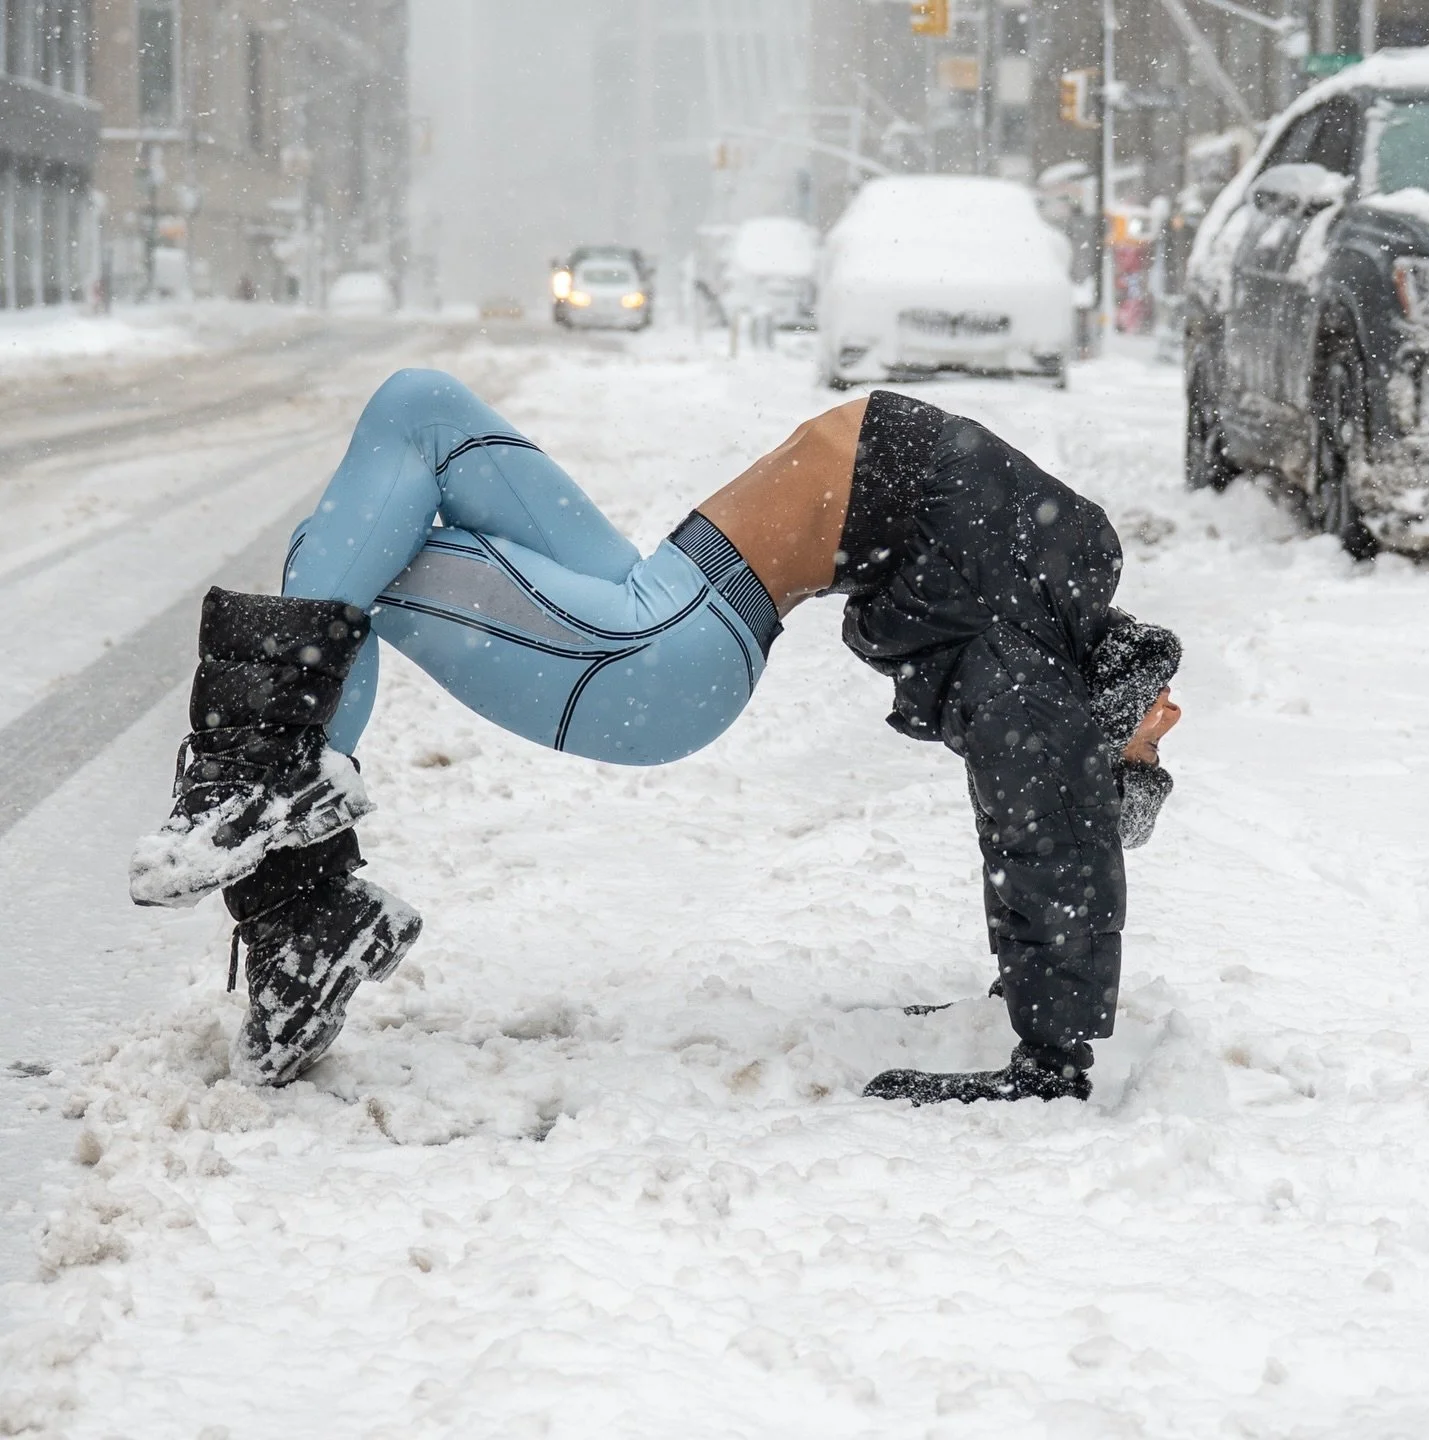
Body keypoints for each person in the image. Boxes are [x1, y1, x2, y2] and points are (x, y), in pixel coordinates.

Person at [130, 372, 1180, 1098]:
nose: (1166, 730)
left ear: (1104, 742)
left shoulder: (1038, 669)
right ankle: (302, 899)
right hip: (658, 586)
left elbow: (1047, 828)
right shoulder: (1064, 579)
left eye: (1148, 761)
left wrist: (1052, 1050)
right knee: (416, 411)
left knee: (357, 558)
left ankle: (287, 869)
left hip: (658, 654)